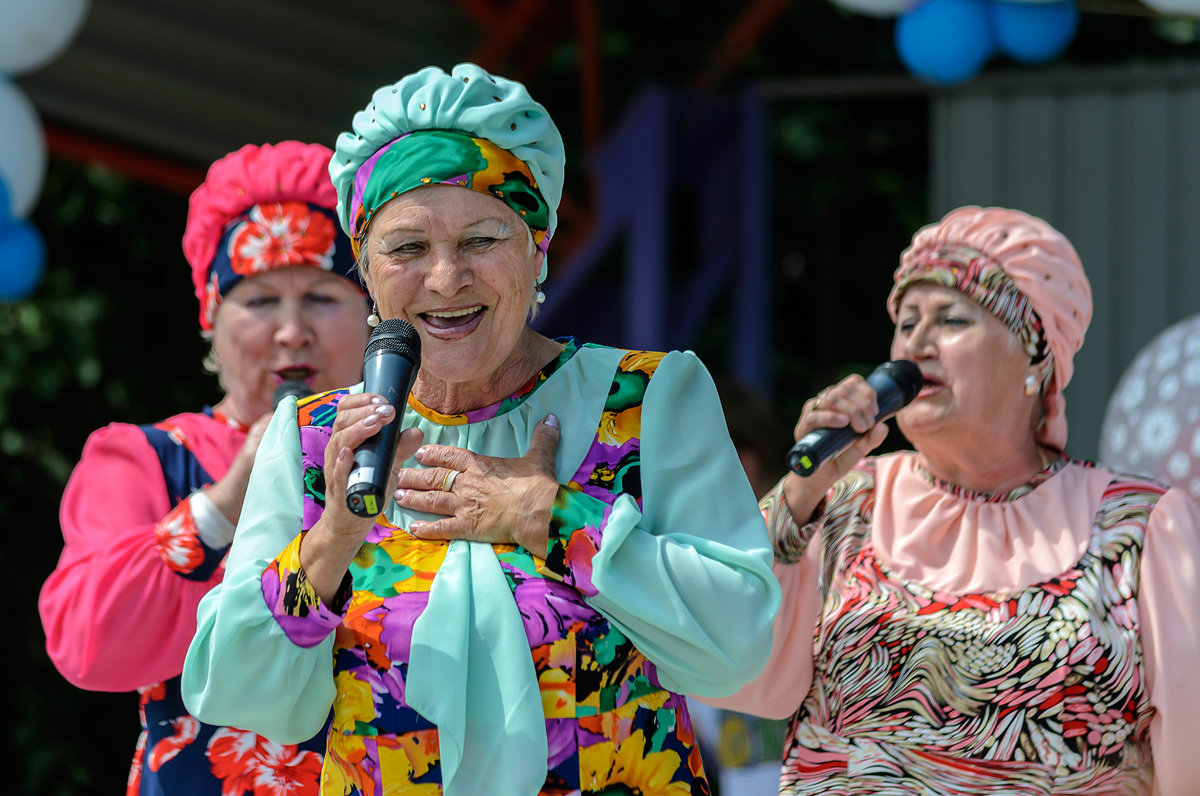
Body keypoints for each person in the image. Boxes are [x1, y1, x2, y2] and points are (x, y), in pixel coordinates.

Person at [180, 62, 780, 796]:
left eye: (481, 239)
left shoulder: (647, 397)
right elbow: (241, 697)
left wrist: (550, 517)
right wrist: (332, 537)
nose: (443, 278)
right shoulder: (313, 438)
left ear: (538, 247)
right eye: (405, 248)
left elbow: (739, 648)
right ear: (365, 271)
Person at [705, 206, 1200, 795]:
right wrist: (804, 490)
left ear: (1035, 355)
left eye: (951, 319)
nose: (917, 342)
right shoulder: (843, 501)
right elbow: (723, 658)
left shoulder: (1142, 528)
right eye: (907, 320)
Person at [39, 141, 372, 795]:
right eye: (260, 300)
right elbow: (87, 643)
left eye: (322, 296)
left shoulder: (415, 452)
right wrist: (224, 501)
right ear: (210, 319)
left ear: (373, 313)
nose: (291, 331)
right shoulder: (149, 457)